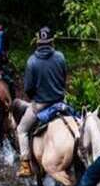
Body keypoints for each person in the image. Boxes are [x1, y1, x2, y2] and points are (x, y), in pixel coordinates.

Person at [14, 26, 68, 177]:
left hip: (41, 105)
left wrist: (34, 99)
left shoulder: (32, 61)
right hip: (60, 101)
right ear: (51, 42)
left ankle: (25, 164)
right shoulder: (60, 57)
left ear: (38, 42)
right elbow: (64, 80)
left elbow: (28, 88)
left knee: (22, 130)